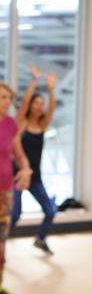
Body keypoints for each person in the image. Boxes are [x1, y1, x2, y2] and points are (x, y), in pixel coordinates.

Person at [10, 66, 57, 255]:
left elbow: (52, 108)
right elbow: (23, 105)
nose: (40, 105)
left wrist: (51, 89)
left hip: (35, 177)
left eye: (42, 103)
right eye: (37, 102)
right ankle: (2, 243)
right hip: (17, 175)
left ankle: (40, 239)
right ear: (31, 105)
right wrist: (35, 81)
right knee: (14, 215)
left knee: (50, 211)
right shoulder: (21, 123)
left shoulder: (42, 125)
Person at [0, 82, 32, 294]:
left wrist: (26, 170)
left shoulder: (11, 124)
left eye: (8, 97)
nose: (7, 101)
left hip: (4, 191)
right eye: (3, 97)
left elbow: (19, 156)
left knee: (1, 242)